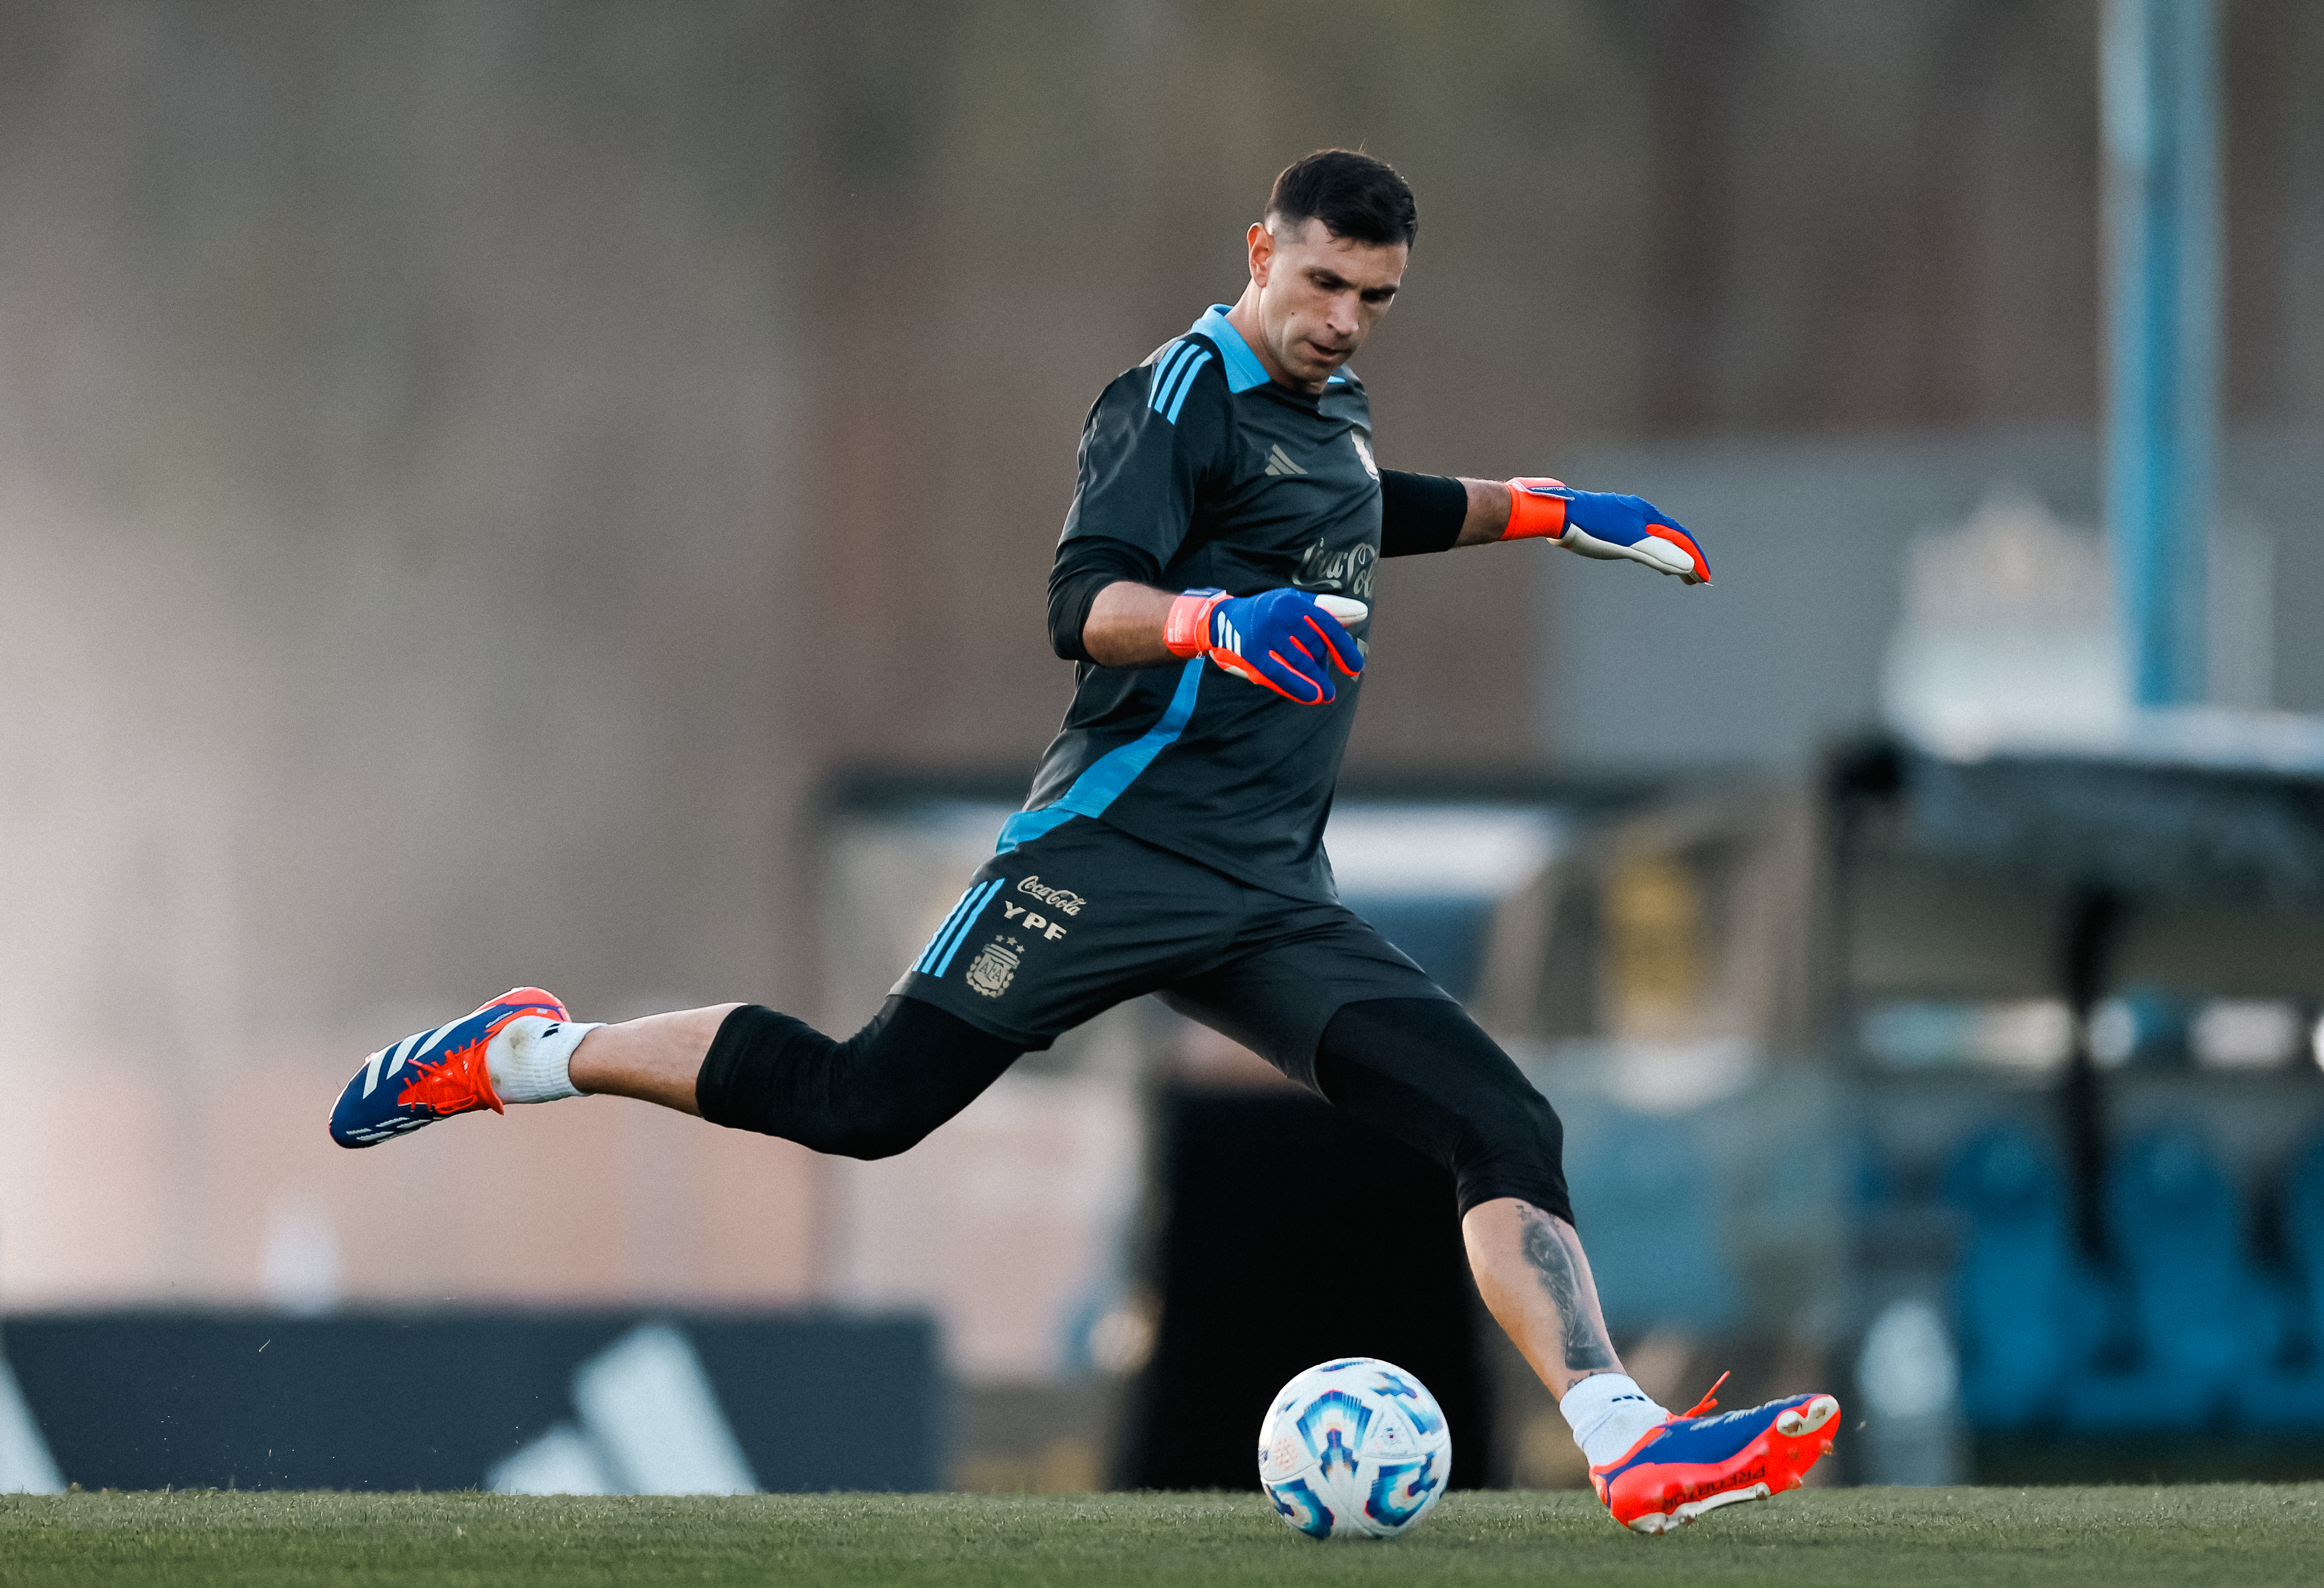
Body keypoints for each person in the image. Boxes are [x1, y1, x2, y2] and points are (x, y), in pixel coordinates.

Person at [328, 149, 1837, 1531]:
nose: (1345, 320)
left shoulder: (1328, 407)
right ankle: (534, 1050)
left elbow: (1368, 507)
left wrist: (1554, 509)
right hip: (1107, 856)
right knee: (867, 1102)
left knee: (1502, 1123)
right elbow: (1085, 604)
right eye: (1321, 282)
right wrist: (1214, 624)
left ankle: (1625, 1440)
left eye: (1375, 299)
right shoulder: (1166, 399)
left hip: (1267, 898)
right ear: (1262, 249)